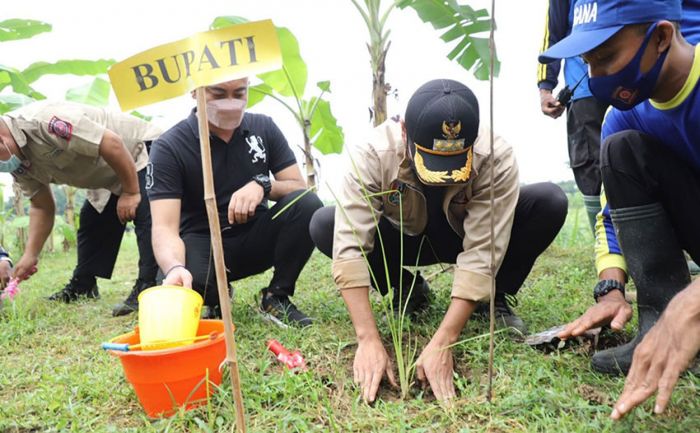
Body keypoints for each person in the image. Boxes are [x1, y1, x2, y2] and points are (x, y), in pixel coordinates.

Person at [309, 79, 568, 402]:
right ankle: (406, 287)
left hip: (460, 236)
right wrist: (368, 339)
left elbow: (483, 251)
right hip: (405, 237)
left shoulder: (494, 155)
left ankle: (493, 298)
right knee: (324, 224)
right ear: (405, 133)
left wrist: (444, 340)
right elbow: (349, 246)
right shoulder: (373, 153)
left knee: (549, 200)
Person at [539, 0, 700, 416]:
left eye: (607, 56)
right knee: (619, 150)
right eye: (588, 62)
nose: (596, 77)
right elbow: (611, 217)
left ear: (662, 36)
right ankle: (658, 324)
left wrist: (693, 301)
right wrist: (611, 289)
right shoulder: (624, 118)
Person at [147, 78, 322, 325]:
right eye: (218, 94)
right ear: (195, 92)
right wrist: (174, 267)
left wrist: (263, 184)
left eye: (239, 93)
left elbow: (298, 187)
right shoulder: (169, 146)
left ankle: (276, 296)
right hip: (201, 242)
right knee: (187, 283)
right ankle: (216, 294)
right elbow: (165, 227)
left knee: (307, 204)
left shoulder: (264, 128)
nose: (230, 103)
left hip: (255, 236)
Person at [0, 101, 161, 313]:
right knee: (93, 220)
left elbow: (112, 143)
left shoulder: (45, 121)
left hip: (142, 151)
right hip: (108, 171)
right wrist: (30, 255)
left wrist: (131, 192)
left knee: (146, 215)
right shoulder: (16, 160)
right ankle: (84, 285)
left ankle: (148, 287)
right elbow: (42, 206)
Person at [538, 0, 608, 232]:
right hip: (584, 89)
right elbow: (553, 33)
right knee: (591, 165)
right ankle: (606, 249)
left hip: (634, 80)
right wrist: (546, 87)